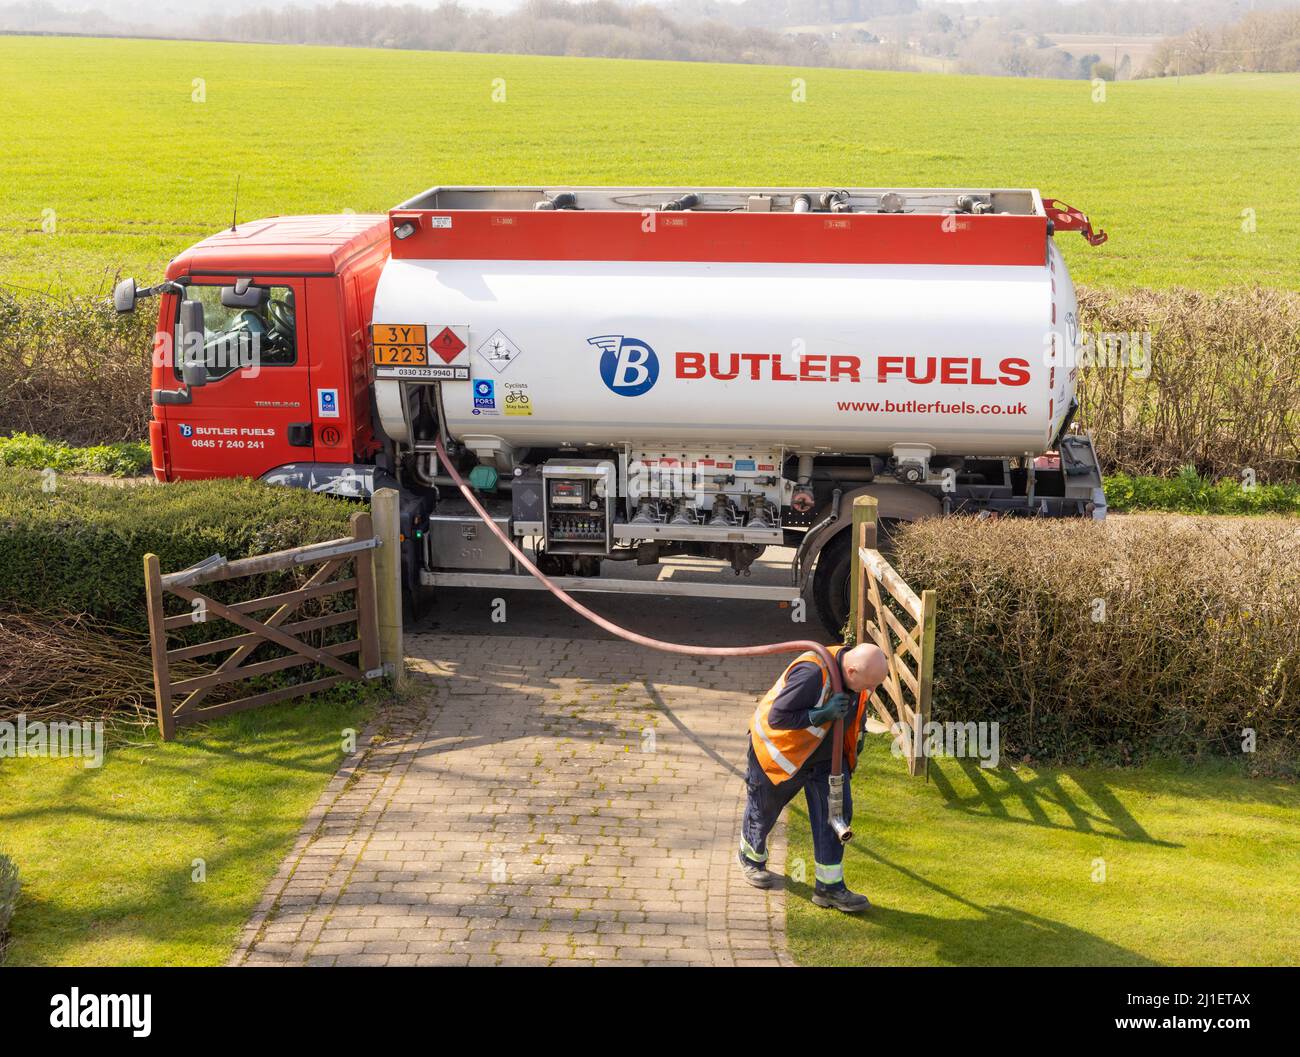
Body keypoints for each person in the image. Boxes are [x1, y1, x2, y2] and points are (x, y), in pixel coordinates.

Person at [739, 642, 889, 912]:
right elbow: (778, 717)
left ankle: (829, 888)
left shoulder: (857, 676)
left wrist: (860, 734)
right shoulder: (812, 672)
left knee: (836, 817)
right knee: (764, 810)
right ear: (852, 671)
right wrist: (820, 714)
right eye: (868, 684)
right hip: (779, 755)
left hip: (827, 761)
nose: (871, 691)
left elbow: (858, 710)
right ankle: (752, 858)